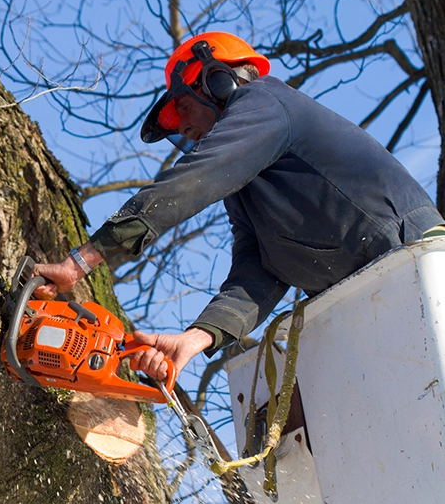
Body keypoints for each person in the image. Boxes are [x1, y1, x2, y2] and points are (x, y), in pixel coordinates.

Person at [33, 31, 444, 381]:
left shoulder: (266, 103)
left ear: (218, 81)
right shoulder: (247, 186)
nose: (188, 130)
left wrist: (80, 262)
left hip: (413, 259)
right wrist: (195, 339)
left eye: (185, 109)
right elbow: (259, 269)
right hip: (367, 297)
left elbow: (196, 178)